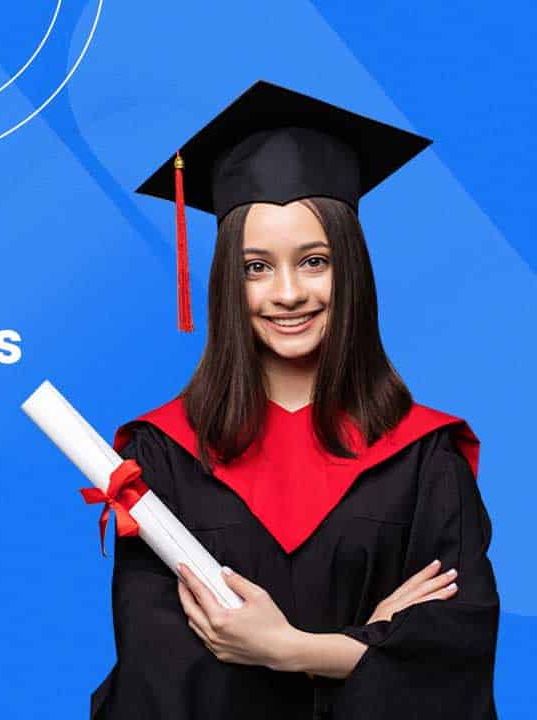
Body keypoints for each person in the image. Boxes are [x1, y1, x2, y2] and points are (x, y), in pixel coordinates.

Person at [89, 81, 500, 719]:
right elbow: (161, 672)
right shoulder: (161, 458)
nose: (286, 293)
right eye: (257, 267)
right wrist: (364, 644)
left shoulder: (424, 458)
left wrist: (288, 648)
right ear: (229, 280)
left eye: (314, 261)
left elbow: (455, 652)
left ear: (351, 270)